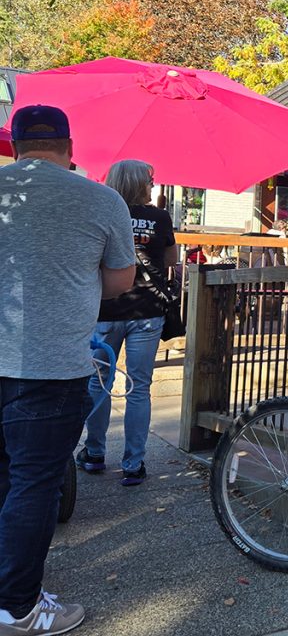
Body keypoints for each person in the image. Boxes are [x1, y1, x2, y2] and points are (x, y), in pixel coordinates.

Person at [0, 105, 136, 635]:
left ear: (13, 146)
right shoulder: (103, 199)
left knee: (10, 481)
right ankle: (17, 608)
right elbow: (120, 283)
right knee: (34, 485)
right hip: (50, 364)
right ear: (69, 146)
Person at [77, 160, 178, 488]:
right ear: (139, 183)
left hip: (106, 308)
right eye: (150, 180)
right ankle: (133, 464)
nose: (152, 184)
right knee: (139, 386)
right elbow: (170, 261)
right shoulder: (159, 217)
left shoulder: (102, 209)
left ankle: (94, 454)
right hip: (147, 311)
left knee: (98, 383)